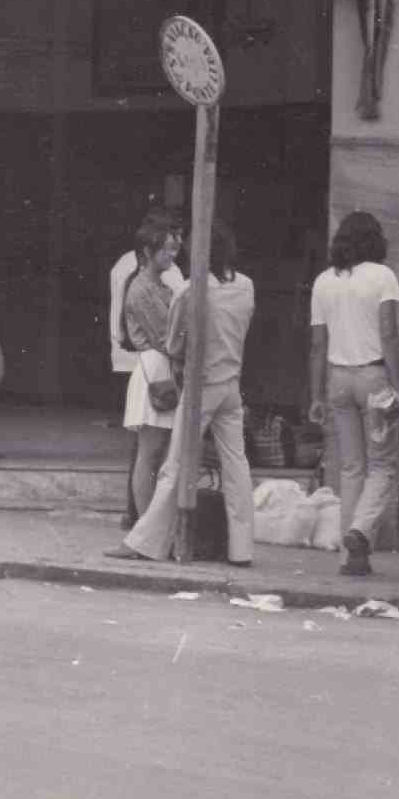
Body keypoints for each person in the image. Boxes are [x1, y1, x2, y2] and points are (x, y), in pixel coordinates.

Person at [106, 219, 256, 566]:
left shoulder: (191, 291)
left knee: (174, 466)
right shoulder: (246, 286)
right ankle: (242, 548)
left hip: (201, 386)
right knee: (237, 466)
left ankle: (144, 543)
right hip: (231, 383)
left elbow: (173, 344)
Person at [308, 211, 399, 577]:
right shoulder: (384, 277)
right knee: (383, 465)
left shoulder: (323, 282)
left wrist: (316, 396)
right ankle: (359, 532)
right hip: (374, 378)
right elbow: (390, 336)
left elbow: (317, 345)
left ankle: (351, 558)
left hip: (337, 380)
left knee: (351, 467)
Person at [111, 207, 185, 525]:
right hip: (156, 369)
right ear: (147, 251)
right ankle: (145, 527)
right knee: (149, 454)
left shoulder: (163, 287)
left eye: (174, 248)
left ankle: (150, 525)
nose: (172, 254)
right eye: (166, 249)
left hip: (163, 368)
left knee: (157, 454)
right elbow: (165, 338)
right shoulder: (141, 290)